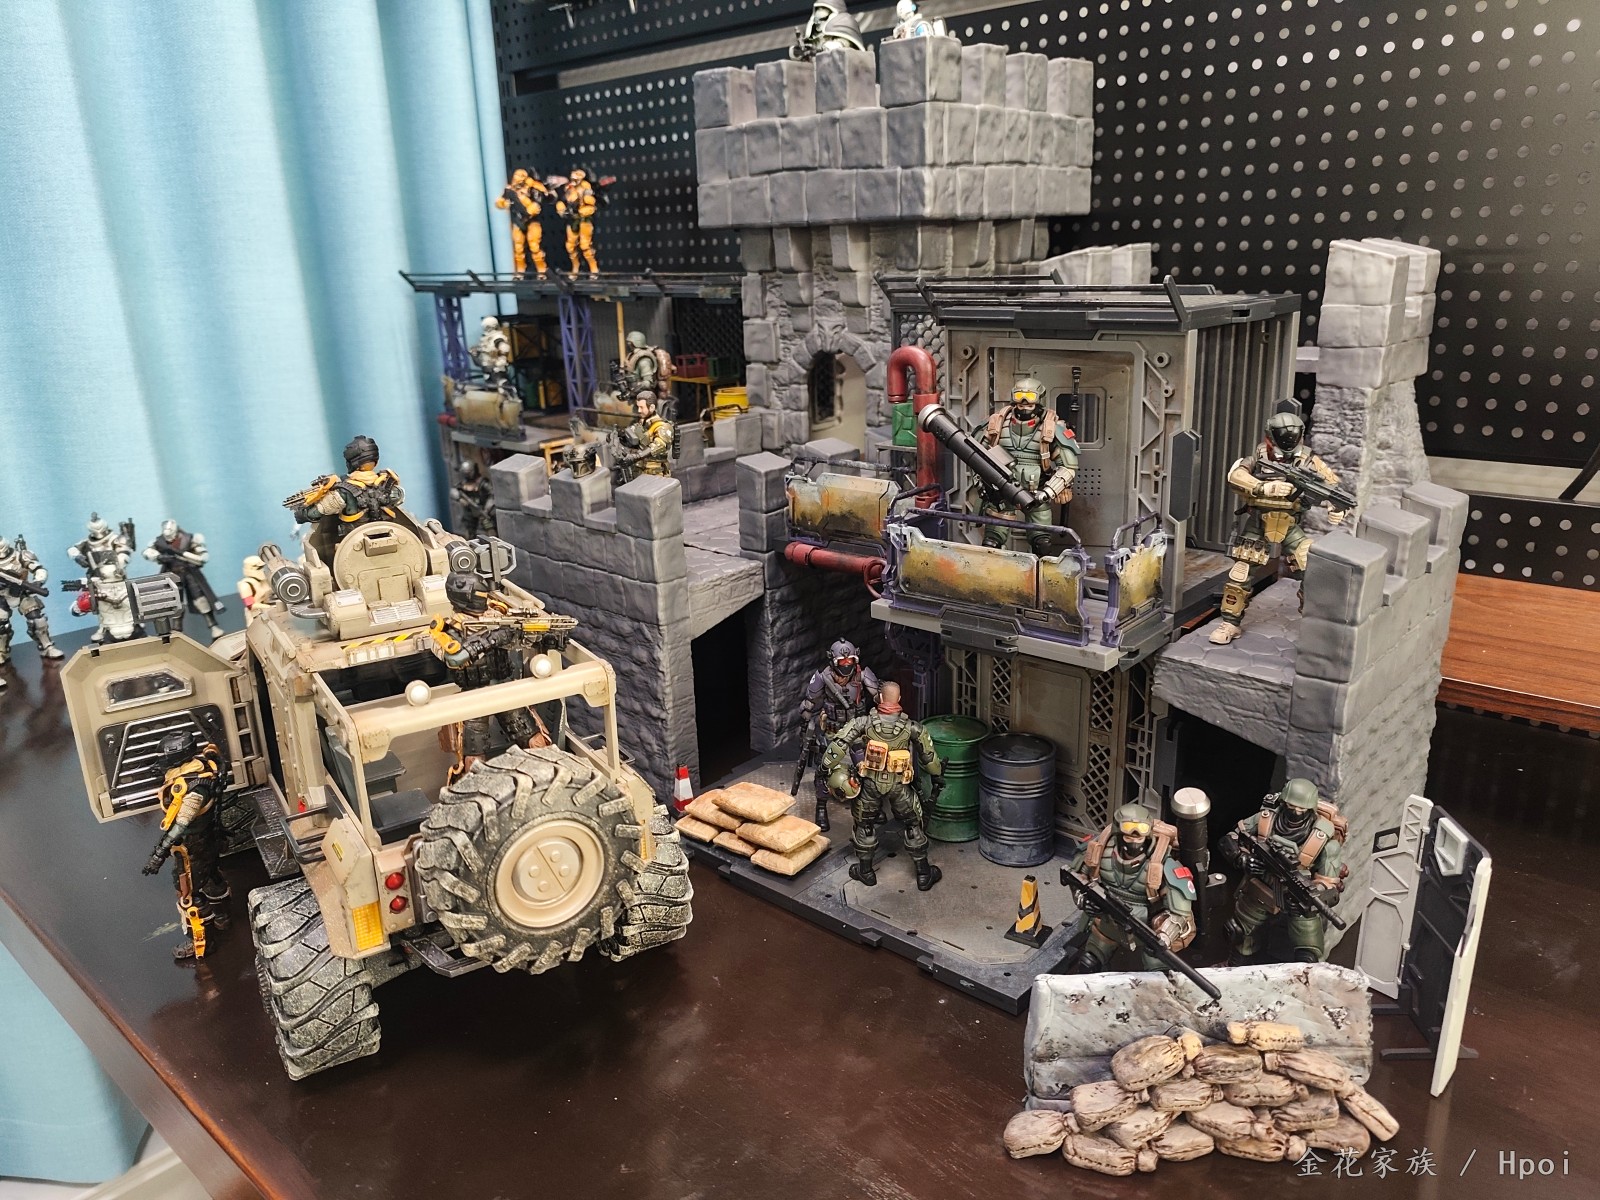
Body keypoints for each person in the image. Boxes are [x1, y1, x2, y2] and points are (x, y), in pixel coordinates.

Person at [1210, 411, 1348, 645]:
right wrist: (1264, 487)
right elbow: (1235, 476)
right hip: (1258, 522)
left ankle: (1312, 625)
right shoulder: (1258, 456)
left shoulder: (1309, 460)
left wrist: (1337, 508)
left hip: (1289, 524)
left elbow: (1333, 487)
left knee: (1312, 569)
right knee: (1240, 573)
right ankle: (1230, 623)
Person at [430, 572, 555, 782]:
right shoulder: (446, 628)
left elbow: (519, 640)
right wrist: (492, 639)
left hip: (504, 689)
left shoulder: (498, 615)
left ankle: (545, 783)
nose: (483, 600)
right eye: (478, 596)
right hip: (474, 697)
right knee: (473, 764)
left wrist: (532, 635)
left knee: (537, 744)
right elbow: (455, 658)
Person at [822, 681, 943, 891]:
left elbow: (839, 744)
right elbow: (929, 757)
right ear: (899, 700)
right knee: (913, 825)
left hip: (870, 783)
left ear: (879, 698)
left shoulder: (863, 722)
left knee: (864, 824)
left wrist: (825, 766)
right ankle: (924, 874)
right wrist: (937, 776)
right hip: (899, 785)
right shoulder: (912, 727)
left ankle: (866, 872)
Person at [1219, 778, 1348, 963]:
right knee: (1238, 934)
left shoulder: (1324, 841)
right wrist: (1242, 858)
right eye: (1291, 806)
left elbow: (1330, 886)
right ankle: (1235, 967)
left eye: (1301, 809)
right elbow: (1230, 838)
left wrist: (1312, 897)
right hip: (1261, 888)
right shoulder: (1266, 819)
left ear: (1310, 809)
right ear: (1283, 802)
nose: (1295, 813)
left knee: (1309, 953)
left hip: (1298, 900)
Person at [1068, 802, 1197, 972]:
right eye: (1129, 834)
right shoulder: (1100, 850)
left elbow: (1180, 914)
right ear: (1118, 832)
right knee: (1089, 963)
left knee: (1158, 974)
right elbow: (1076, 877)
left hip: (1146, 929)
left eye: (1140, 833)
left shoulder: (1162, 864)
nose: (1135, 840)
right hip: (1107, 923)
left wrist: (1163, 937)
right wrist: (1083, 899)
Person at [141, 732, 232, 961]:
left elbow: (181, 824)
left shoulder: (193, 789)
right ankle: (223, 918)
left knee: (188, 895)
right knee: (211, 877)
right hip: (209, 837)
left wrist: (159, 853)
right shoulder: (204, 765)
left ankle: (202, 943)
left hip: (193, 845)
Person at [977, 376, 1079, 556]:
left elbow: (1068, 467)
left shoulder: (1051, 428)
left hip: (1037, 495)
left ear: (1039, 399)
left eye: (1030, 397)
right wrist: (981, 484)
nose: (1024, 403)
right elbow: (976, 455)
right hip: (1001, 493)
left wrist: (1047, 492)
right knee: (991, 543)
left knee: (1042, 545)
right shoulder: (997, 423)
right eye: (1019, 397)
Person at [799, 638, 882, 831]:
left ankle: (870, 809)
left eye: (849, 661)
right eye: (842, 662)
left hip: (856, 731)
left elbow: (879, 697)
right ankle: (821, 808)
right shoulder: (822, 677)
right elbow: (809, 704)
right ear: (833, 661)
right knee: (823, 769)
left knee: (866, 769)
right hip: (832, 731)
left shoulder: (862, 675)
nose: (846, 665)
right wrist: (806, 727)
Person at [287, 435, 405, 542]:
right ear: (375, 461)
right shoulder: (389, 483)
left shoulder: (344, 490)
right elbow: (398, 499)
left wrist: (302, 514)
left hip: (355, 543)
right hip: (390, 537)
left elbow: (316, 512)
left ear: (352, 463)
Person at [144, 519, 225, 640]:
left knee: (200, 600)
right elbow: (147, 553)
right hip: (172, 574)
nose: (169, 539)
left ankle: (213, 626)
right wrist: (160, 557)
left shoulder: (190, 538)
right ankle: (177, 629)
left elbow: (203, 557)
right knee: (175, 602)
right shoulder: (160, 541)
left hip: (189, 573)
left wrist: (184, 555)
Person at [0, 535, 62, 666]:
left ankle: (47, 646)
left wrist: (37, 582)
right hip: (2, 595)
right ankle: (1, 652)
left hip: (21, 591)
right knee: (1, 625)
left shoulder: (20, 556)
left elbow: (39, 569)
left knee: (37, 619)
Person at [494, 167, 549, 277]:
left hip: (532, 221)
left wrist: (531, 208)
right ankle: (520, 272)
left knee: (535, 247)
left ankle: (542, 271)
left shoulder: (532, 188)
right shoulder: (510, 190)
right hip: (518, 222)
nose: (516, 180)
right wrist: (504, 203)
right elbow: (500, 202)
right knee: (518, 248)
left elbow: (539, 200)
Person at [616, 390, 673, 481]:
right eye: (638, 407)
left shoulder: (663, 426)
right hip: (640, 470)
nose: (639, 410)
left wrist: (636, 457)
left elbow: (658, 446)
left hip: (656, 473)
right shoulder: (642, 423)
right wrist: (622, 437)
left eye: (642, 407)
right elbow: (636, 442)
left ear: (652, 407)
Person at [556, 168, 600, 276]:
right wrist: (561, 208)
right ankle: (575, 268)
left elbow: (592, 205)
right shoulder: (569, 188)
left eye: (576, 179)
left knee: (585, 246)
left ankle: (594, 269)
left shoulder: (586, 188)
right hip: (572, 219)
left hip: (584, 220)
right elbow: (563, 201)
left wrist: (584, 209)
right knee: (570, 246)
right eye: (573, 179)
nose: (573, 181)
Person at [472, 317, 514, 390]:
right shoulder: (486, 339)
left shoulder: (497, 338)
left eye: (486, 327)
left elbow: (504, 348)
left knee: (503, 389)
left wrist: (500, 360)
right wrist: (475, 354)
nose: (485, 329)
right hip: (488, 370)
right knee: (492, 391)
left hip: (497, 370)